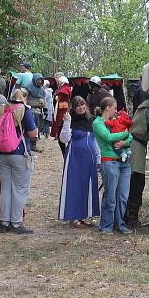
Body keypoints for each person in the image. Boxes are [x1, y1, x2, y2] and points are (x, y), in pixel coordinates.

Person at [0, 88, 38, 234]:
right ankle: (16, 223)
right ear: (24, 97)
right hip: (19, 153)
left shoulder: (2, 108)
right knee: (20, 189)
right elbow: (32, 134)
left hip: (0, 153)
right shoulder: (24, 110)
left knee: (6, 188)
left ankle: (4, 222)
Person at [58, 96, 100, 228]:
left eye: (83, 105)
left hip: (90, 158)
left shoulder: (92, 119)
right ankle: (74, 217)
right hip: (75, 158)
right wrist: (66, 123)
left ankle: (84, 215)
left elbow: (96, 140)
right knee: (75, 186)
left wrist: (98, 158)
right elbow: (64, 139)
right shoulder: (70, 120)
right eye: (78, 106)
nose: (81, 107)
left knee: (87, 185)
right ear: (74, 108)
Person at [93, 96, 133, 234]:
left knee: (122, 196)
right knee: (110, 196)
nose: (116, 111)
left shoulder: (116, 120)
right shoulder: (98, 123)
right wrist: (125, 134)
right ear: (107, 108)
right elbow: (108, 137)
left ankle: (119, 224)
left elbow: (131, 136)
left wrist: (124, 142)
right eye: (115, 108)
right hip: (109, 161)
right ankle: (106, 225)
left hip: (123, 162)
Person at [127, 93, 149, 228]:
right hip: (136, 146)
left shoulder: (145, 107)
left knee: (136, 182)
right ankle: (131, 218)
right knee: (136, 182)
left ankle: (130, 216)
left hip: (137, 145)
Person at [52, 76, 72, 157]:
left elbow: (63, 103)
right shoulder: (65, 88)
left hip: (63, 114)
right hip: (62, 112)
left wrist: (60, 119)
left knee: (62, 137)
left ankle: (65, 153)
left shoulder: (64, 89)